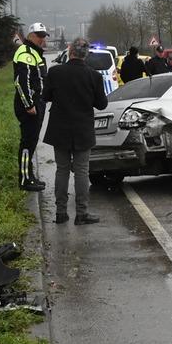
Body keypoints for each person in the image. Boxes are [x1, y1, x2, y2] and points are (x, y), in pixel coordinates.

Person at [43, 38, 109, 225]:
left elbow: (45, 96)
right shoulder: (94, 76)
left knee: (62, 170)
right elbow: (102, 104)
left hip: (60, 129)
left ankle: (60, 212)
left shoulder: (55, 72)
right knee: (81, 171)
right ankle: (82, 213)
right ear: (85, 55)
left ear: (70, 51)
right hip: (83, 129)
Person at [13, 22, 49, 192]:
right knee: (27, 144)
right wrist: (29, 105)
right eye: (39, 36)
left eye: (44, 36)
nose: (43, 39)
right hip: (30, 107)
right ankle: (25, 180)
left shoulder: (34, 52)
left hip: (37, 103)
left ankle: (30, 176)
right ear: (31, 36)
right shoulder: (26, 53)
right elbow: (22, 82)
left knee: (32, 142)